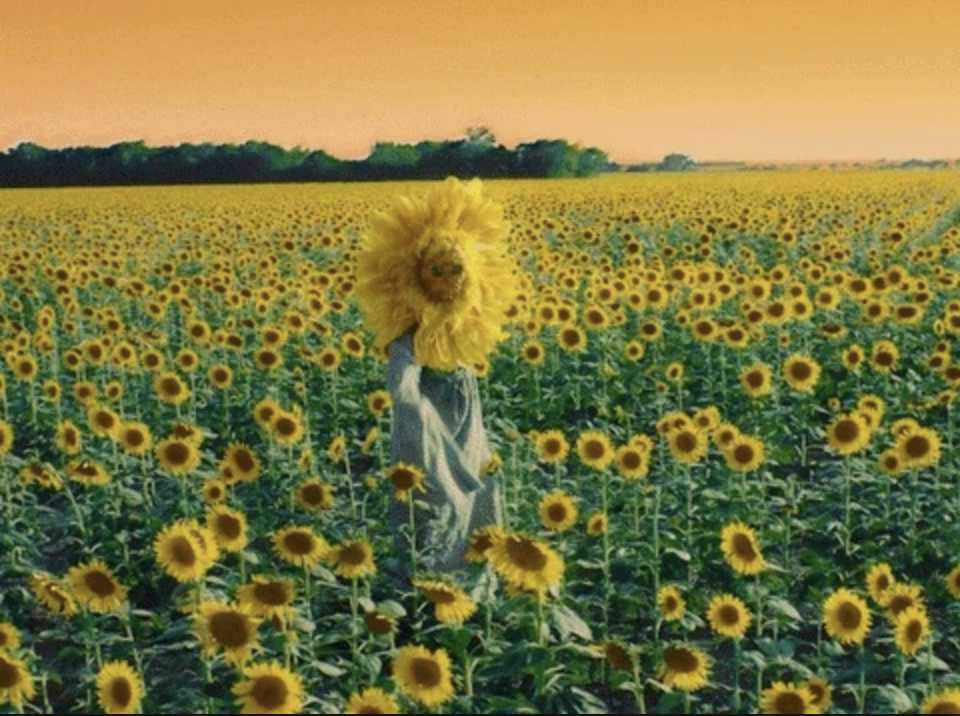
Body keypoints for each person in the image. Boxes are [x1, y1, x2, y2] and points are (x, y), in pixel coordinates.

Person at [354, 177, 517, 579]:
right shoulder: (409, 336)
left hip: (467, 425)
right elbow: (402, 382)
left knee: (480, 493)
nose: (448, 280)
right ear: (415, 276)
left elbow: (469, 379)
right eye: (437, 271)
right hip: (426, 430)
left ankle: (474, 580)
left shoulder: (465, 330)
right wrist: (416, 407)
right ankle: (430, 582)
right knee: (434, 499)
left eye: (457, 270)